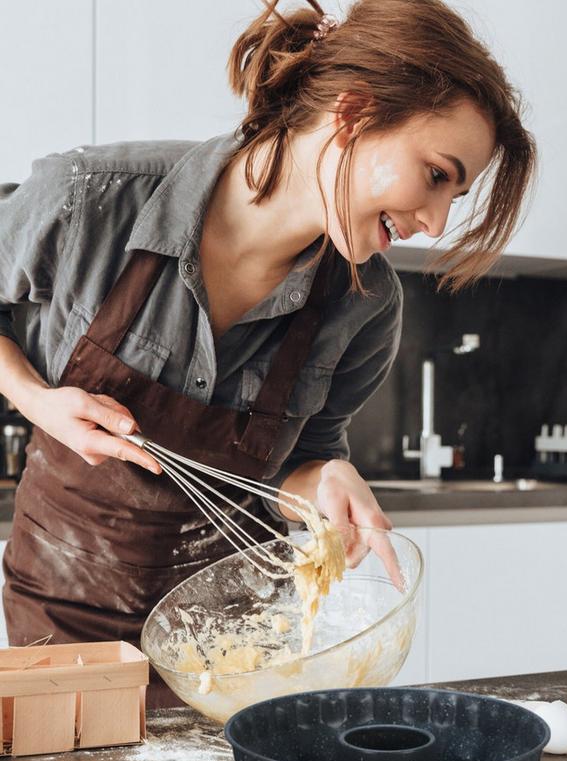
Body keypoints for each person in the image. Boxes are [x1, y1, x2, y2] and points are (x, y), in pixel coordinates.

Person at [0, 0, 535, 705]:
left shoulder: (365, 305)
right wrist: (35, 397)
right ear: (352, 113)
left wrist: (324, 483)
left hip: (240, 645)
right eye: (436, 175)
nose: (434, 222)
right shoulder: (91, 202)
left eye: (454, 197)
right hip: (64, 623)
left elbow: (299, 461)